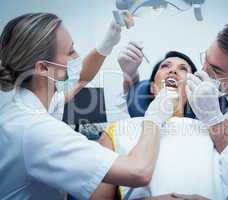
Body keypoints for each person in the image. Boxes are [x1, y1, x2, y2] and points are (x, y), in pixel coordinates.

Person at [0, 13, 174, 200]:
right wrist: (154, 118)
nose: (77, 56)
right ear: (43, 68)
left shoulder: (31, 105)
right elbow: (138, 171)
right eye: (70, 51)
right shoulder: (37, 129)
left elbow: (81, 78)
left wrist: (108, 42)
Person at [118, 22, 228, 199]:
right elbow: (134, 104)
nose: (202, 71)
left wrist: (214, 120)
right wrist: (130, 76)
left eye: (215, 70)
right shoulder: (127, 129)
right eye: (205, 59)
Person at [99, 51, 220, 200]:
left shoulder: (215, 134)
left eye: (183, 68)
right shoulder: (117, 130)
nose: (173, 70)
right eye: (165, 66)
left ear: (193, 88)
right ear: (151, 88)